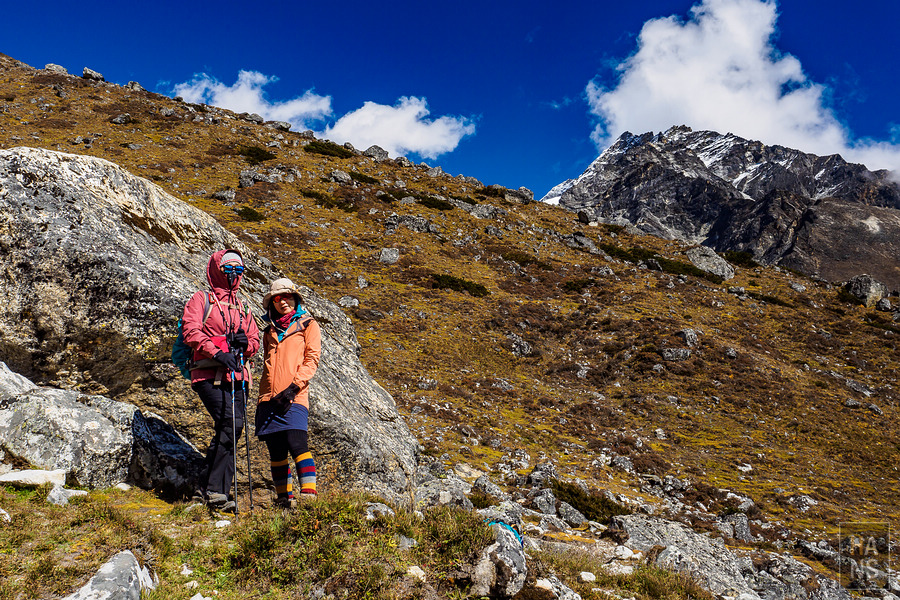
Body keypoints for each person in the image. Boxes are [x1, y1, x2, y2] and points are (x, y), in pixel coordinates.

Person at [182, 249, 261, 510]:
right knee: (230, 423)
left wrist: (246, 344)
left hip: (238, 376)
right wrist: (218, 352)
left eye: (239, 270)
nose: (233, 274)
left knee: (232, 428)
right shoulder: (201, 299)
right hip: (207, 373)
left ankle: (211, 491)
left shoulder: (244, 306)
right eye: (228, 269)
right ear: (218, 269)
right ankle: (215, 490)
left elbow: (255, 341)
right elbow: (191, 331)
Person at [255, 277, 322, 507]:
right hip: (268, 398)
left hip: (295, 396)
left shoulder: (308, 325)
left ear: (295, 299)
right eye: (277, 299)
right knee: (276, 452)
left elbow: (312, 359)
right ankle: (284, 501)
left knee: (297, 443)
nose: (283, 302)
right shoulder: (269, 331)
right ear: (272, 304)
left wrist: (293, 388)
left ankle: (309, 498)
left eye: (287, 297)